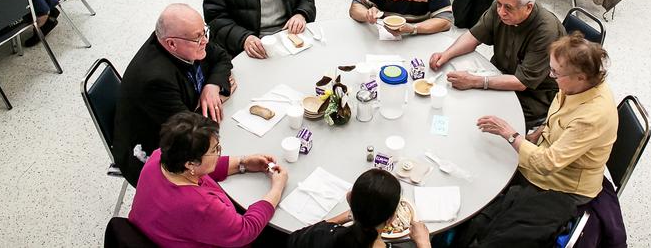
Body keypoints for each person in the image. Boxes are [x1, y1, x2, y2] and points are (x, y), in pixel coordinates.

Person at [470, 33, 618, 246]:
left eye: (556, 73)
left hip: (561, 187)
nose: (550, 76)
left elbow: (546, 164)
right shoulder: (575, 86)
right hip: (545, 156)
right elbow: (557, 117)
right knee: (487, 163)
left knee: (488, 200)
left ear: (581, 77)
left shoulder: (592, 116)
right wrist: (537, 133)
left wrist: (510, 134)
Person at [113, 4, 235, 186]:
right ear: (171, 43)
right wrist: (221, 98)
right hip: (156, 154)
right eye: (198, 37)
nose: (206, 41)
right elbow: (191, 132)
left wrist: (212, 86)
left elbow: (221, 57)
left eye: (204, 32)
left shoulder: (187, 42)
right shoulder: (155, 80)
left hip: (180, 120)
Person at [129, 112, 288, 247]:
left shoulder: (160, 156)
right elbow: (246, 230)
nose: (219, 153)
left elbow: (201, 170)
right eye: (214, 150)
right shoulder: (201, 205)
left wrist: (243, 163)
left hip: (157, 233)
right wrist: (277, 189)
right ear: (191, 163)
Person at [429, 0, 565, 125]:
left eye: (508, 7)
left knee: (476, 115)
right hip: (499, 72)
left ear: (528, 7)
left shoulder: (546, 32)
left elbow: (521, 82)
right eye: (499, 4)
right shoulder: (502, 5)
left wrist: (475, 81)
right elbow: (474, 36)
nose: (501, 12)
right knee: (457, 96)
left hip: (532, 96)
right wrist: (446, 54)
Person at [287, 169, 432, 248]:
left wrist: (345, 216)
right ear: (391, 218)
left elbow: (296, 239)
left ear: (349, 198)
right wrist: (424, 243)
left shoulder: (323, 235)